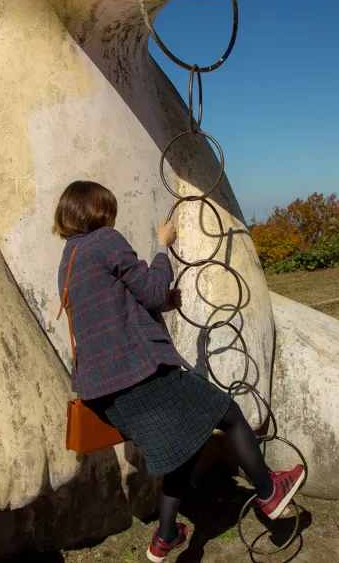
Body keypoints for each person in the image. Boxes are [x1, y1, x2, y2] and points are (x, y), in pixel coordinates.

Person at [53, 180, 304, 563]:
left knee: (182, 448)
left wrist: (161, 303)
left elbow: (117, 310)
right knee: (230, 414)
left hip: (102, 392)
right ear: (98, 211)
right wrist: (161, 245)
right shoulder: (105, 240)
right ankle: (269, 493)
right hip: (142, 376)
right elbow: (151, 290)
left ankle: (165, 537)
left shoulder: (68, 260)